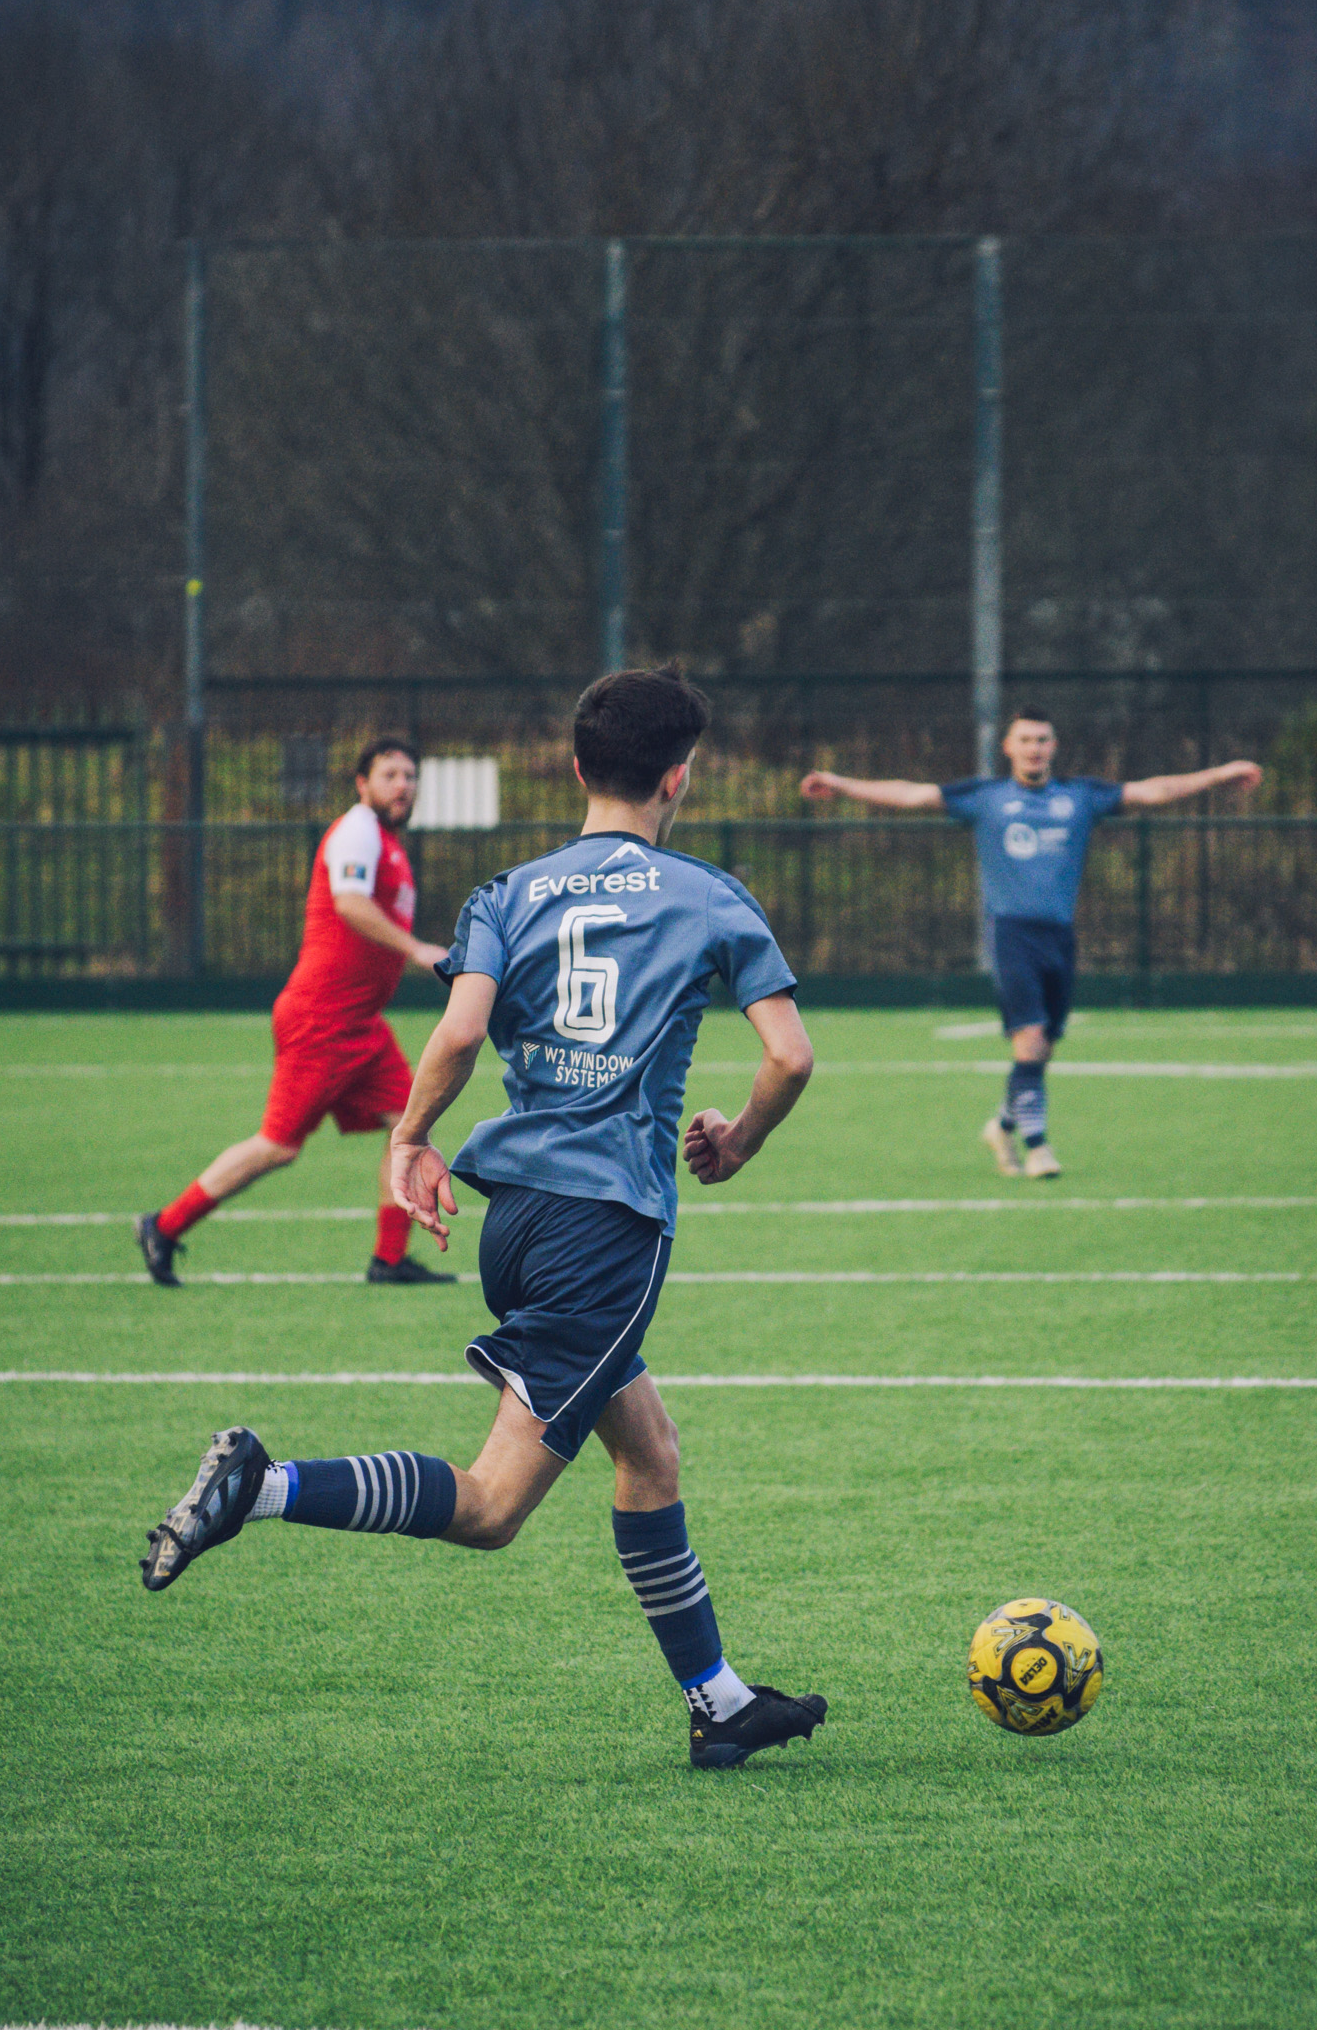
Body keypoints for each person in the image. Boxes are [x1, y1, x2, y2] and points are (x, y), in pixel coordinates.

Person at [139, 666, 828, 1772]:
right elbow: (789, 1056)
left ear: (572, 768)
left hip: (514, 1223)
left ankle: (716, 1701)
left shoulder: (504, 893)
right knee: (492, 1505)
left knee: (647, 1449)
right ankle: (261, 1485)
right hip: (605, 1228)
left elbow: (458, 1036)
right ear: (678, 777)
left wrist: (410, 1138)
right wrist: (735, 1141)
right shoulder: (710, 896)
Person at [802, 711, 1262, 1176]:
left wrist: (1219, 775)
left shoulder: (1080, 796)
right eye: (1025, 739)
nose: (1034, 748)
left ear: (1054, 746)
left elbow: (1152, 790)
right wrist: (841, 784)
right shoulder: (987, 798)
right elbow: (909, 793)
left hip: (1060, 937)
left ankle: (1002, 1127)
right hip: (1012, 934)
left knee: (1041, 1050)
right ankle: (1038, 1148)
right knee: (1030, 1040)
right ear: (1008, 747)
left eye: (1042, 739)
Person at [134, 734, 452, 1286]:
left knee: (408, 1123)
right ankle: (163, 1226)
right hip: (323, 1020)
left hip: (361, 1025)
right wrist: (418, 950)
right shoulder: (356, 830)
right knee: (277, 1146)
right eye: (390, 775)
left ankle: (390, 1259)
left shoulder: (388, 843)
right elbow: (349, 904)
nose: (403, 785)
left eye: (410, 775)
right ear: (362, 784)